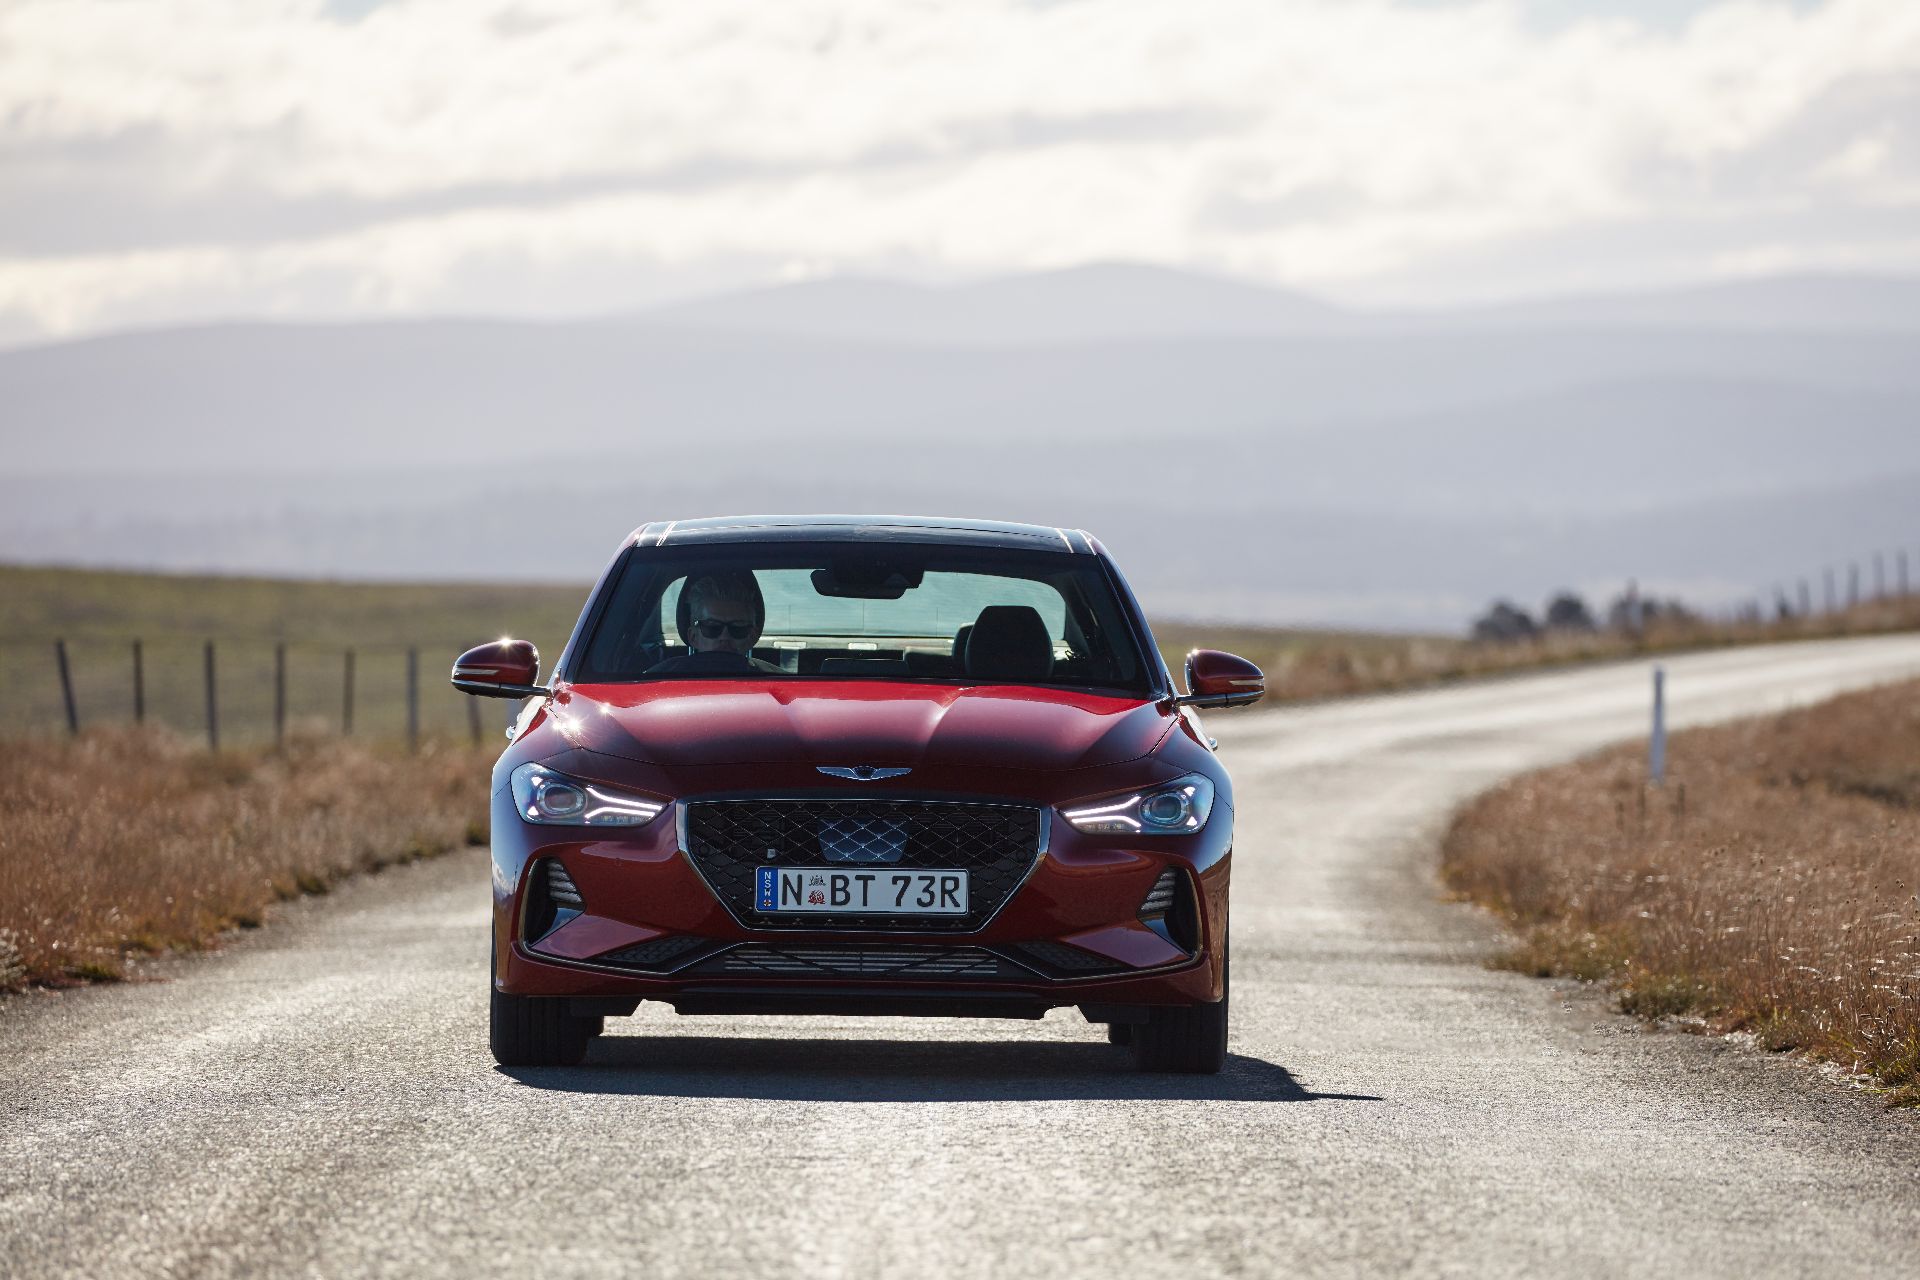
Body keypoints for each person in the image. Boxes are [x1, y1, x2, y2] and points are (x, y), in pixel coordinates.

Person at [654, 570, 783, 673]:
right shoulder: (658, 681)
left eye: (737, 628)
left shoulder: (779, 681)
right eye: (712, 627)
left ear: (752, 636)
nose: (725, 637)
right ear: (693, 636)